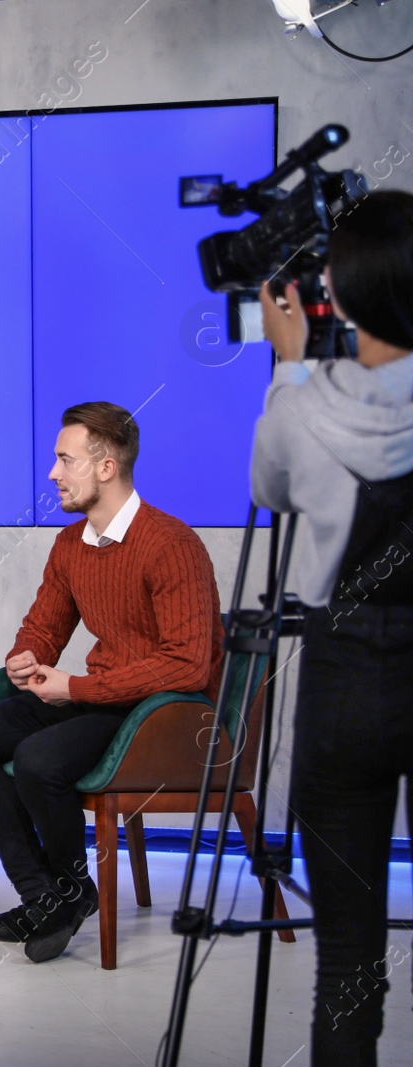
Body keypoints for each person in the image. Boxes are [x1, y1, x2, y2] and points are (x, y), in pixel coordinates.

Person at [0, 401, 223, 963]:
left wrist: (75, 688)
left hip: (159, 712)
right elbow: (43, 626)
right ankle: (50, 895)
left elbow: (188, 665)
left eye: (64, 460)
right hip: (99, 697)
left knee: (41, 760)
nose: (53, 473)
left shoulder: (172, 544)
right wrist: (25, 658)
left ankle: (62, 897)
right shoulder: (71, 545)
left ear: (105, 467)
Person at [252, 189, 413, 1067]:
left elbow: (270, 491)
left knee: (347, 953)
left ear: (337, 296)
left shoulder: (303, 409)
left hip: (342, 682)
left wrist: (291, 363)